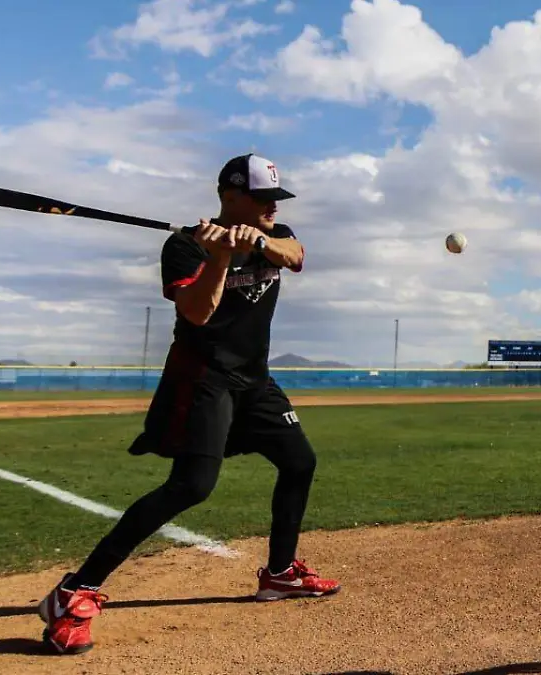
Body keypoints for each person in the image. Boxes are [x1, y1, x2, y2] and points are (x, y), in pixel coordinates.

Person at [36, 154, 339, 656]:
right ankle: (74, 593)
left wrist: (258, 240)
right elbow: (197, 313)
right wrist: (218, 257)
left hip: (255, 380)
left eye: (274, 200)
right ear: (228, 196)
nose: (270, 207)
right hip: (203, 378)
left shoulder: (275, 231)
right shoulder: (183, 247)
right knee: (191, 486)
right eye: (261, 199)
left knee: (299, 461)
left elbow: (296, 254)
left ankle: (280, 574)